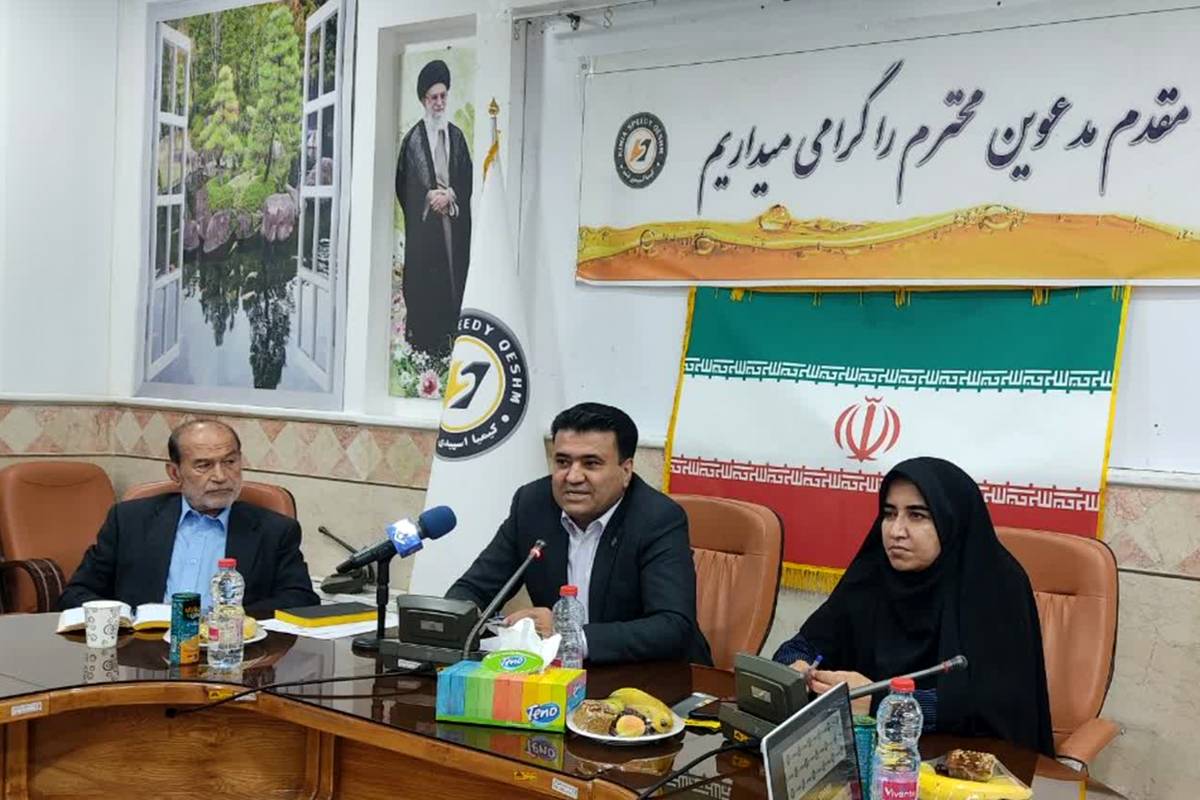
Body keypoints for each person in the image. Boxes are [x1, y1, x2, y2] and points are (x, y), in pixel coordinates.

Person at [772, 457, 1055, 756]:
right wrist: (797, 669)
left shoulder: (995, 585)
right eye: (889, 514)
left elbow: (994, 706)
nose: (896, 531)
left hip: (967, 764)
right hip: (866, 755)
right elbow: (800, 646)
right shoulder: (871, 576)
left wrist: (881, 703)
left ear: (950, 520)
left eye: (917, 516)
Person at [446, 403, 712, 665]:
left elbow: (672, 626)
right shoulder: (532, 505)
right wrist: (452, 623)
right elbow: (473, 589)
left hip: (652, 675)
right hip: (558, 674)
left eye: (591, 464)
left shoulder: (657, 518)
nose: (572, 477)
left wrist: (569, 637)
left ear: (626, 471)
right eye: (563, 462)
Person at [59, 420, 320, 617]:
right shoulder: (129, 520)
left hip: (228, 652)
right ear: (175, 473)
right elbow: (76, 593)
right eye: (203, 465)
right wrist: (125, 620)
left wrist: (228, 621)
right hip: (143, 652)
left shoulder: (274, 530)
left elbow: (300, 600)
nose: (220, 476)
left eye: (230, 462)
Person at [394, 58, 473, 359]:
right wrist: (428, 198)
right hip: (426, 231)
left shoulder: (457, 137)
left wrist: (450, 195)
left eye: (443, 96)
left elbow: (466, 177)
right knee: (426, 284)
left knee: (454, 277)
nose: (439, 103)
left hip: (452, 224)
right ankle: (427, 346)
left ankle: (454, 341)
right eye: (433, 98)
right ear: (423, 100)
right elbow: (403, 184)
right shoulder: (412, 141)